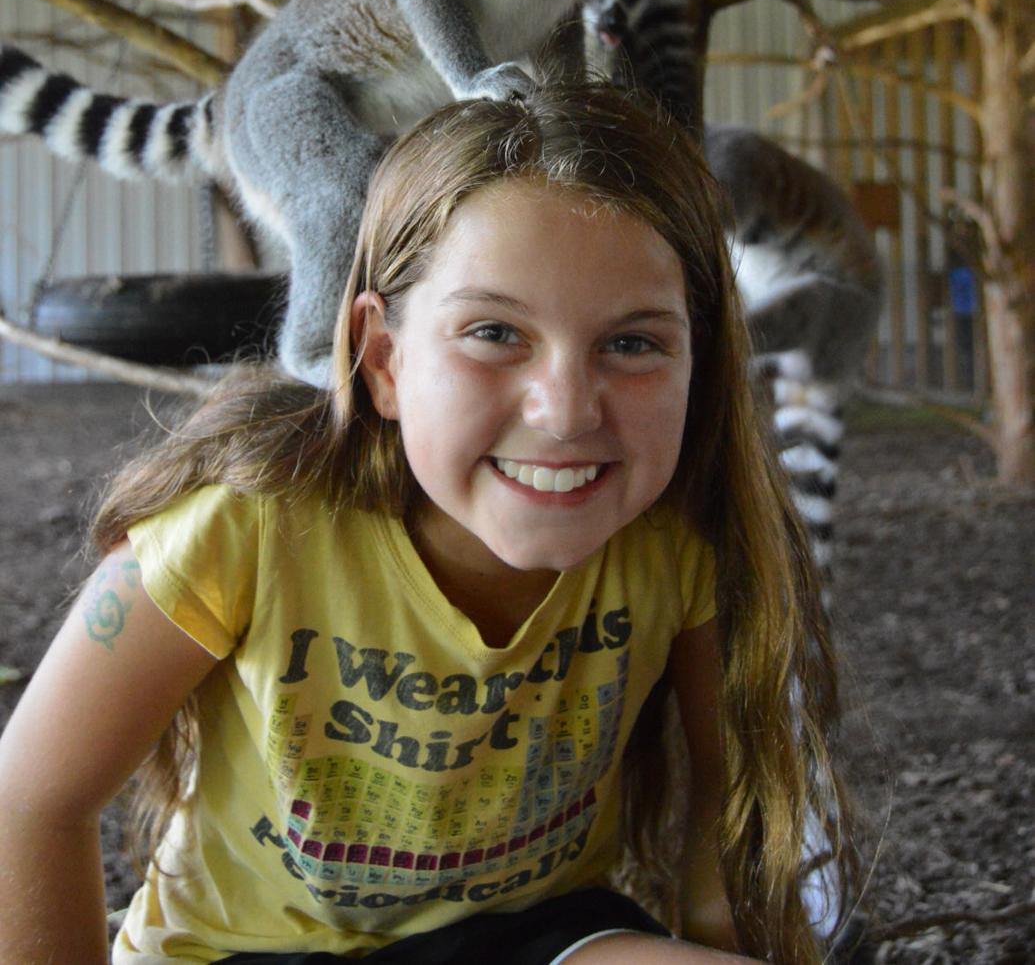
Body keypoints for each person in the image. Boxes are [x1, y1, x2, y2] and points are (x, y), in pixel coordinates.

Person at [0, 82, 855, 965]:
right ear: (384, 359)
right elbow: (29, 799)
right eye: (493, 332)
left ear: (696, 361)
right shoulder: (244, 527)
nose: (565, 411)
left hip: (533, 938)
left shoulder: (676, 548)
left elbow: (730, 804)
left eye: (632, 343)